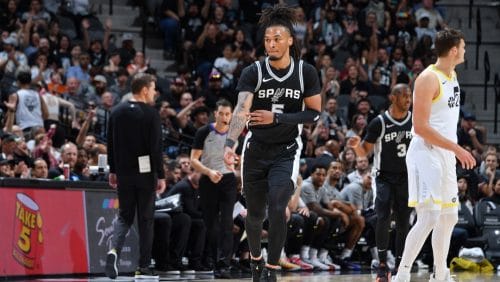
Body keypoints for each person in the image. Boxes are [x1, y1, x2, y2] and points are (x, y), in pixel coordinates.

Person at [223, 5, 322, 282]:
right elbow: (242, 109)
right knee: (254, 216)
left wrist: (277, 117)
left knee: (279, 207)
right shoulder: (253, 71)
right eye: (267, 40)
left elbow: (314, 112)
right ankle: (256, 262)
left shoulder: (306, 72)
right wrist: (230, 143)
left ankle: (273, 269)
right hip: (255, 149)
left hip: (287, 150)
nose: (271, 44)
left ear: (290, 39)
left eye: (277, 38)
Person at [392, 28, 476, 282]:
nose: (464, 51)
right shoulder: (428, 78)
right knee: (429, 216)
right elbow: (421, 127)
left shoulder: (453, 75)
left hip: (445, 153)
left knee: (449, 215)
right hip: (425, 152)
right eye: (462, 47)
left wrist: (454, 148)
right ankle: (402, 274)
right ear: (453, 51)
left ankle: (441, 274)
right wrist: (458, 148)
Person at [347, 83, 413, 281]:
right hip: (383, 176)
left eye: (410, 97)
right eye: (405, 97)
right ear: (393, 98)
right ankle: (382, 264)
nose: (409, 100)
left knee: (404, 221)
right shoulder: (379, 122)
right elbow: (364, 153)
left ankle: (402, 264)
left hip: (407, 177)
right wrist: (356, 147)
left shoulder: (415, 121)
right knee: (383, 215)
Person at [105, 73, 166, 279]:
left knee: (124, 216)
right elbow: (155, 148)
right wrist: (161, 174)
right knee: (146, 220)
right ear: (144, 90)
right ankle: (144, 266)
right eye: (153, 88)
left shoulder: (116, 111)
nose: (155, 92)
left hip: (123, 172)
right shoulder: (150, 114)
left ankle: (114, 250)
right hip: (145, 173)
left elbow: (110, 143)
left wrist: (113, 170)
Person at [190, 99, 237, 278]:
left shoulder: (234, 133)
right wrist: (209, 172)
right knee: (211, 225)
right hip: (208, 179)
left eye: (227, 114)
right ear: (215, 113)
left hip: (228, 180)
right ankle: (214, 261)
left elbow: (235, 156)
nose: (224, 117)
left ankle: (224, 263)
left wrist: (236, 162)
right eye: (221, 113)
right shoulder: (203, 132)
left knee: (227, 222)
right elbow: (193, 159)